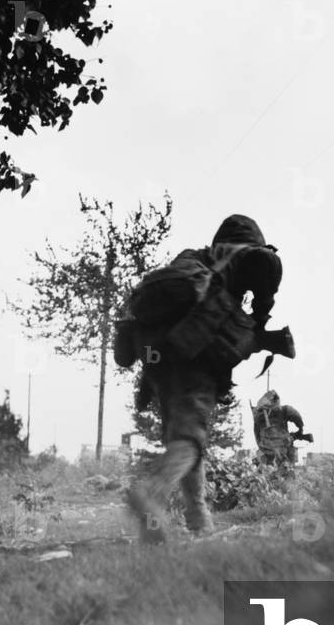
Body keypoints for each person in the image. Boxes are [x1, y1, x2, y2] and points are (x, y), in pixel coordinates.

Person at [118, 215, 287, 543]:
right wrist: (260, 320)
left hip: (158, 354)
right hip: (193, 353)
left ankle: (199, 521)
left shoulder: (191, 259)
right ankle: (150, 493)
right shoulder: (249, 256)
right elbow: (266, 282)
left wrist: (146, 380)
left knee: (187, 439)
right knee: (190, 439)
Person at [251, 389, 313, 473]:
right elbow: (296, 416)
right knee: (286, 468)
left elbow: (256, 435)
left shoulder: (258, 416)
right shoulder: (283, 410)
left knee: (274, 469)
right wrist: (300, 430)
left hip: (267, 449)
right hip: (282, 446)